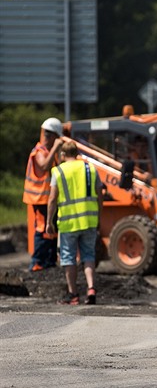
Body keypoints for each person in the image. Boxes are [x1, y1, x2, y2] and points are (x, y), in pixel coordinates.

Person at [46, 141, 103, 305]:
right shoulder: (90, 168)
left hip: (68, 223)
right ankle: (91, 288)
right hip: (89, 221)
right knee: (89, 256)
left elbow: (52, 199)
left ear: (62, 155)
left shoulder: (58, 171)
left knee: (68, 258)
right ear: (77, 153)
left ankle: (73, 294)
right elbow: (100, 196)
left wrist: (49, 222)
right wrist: (99, 217)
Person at [22, 117, 64, 271]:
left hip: (48, 199)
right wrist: (56, 148)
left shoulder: (48, 152)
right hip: (39, 198)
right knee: (42, 229)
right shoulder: (39, 151)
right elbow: (44, 166)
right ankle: (37, 262)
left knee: (51, 230)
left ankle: (49, 261)